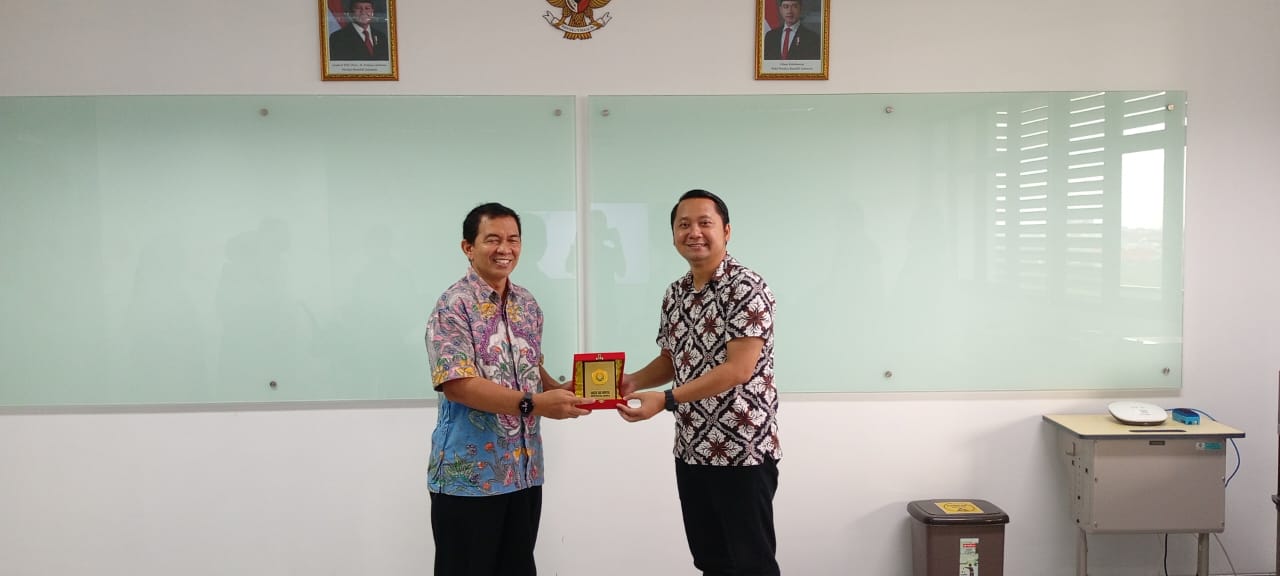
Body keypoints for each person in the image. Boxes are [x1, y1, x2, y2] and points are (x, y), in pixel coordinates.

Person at [616, 189, 781, 575]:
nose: (694, 232)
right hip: (692, 447)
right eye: (683, 224)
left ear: (726, 231)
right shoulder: (675, 293)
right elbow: (672, 359)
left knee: (751, 563)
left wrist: (666, 400)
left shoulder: (746, 287)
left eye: (705, 223)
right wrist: (633, 381)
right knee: (710, 560)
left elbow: (738, 369)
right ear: (674, 234)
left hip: (741, 449)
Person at [425, 202, 593, 576]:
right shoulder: (453, 305)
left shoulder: (527, 304)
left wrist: (560, 391)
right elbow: (458, 385)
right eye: (493, 239)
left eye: (513, 239)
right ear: (468, 247)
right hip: (470, 478)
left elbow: (529, 367)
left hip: (524, 472)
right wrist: (536, 403)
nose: (505, 249)